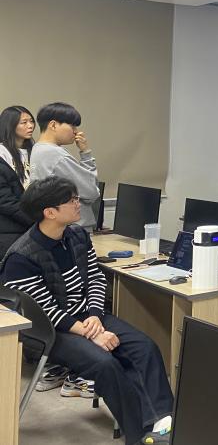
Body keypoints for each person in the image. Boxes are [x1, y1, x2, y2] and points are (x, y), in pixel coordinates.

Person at [0, 176, 174, 444]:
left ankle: (165, 423)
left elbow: (95, 278)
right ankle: (139, 434)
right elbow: (43, 311)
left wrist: (94, 315)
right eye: (71, 200)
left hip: (89, 317)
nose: (78, 204)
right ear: (50, 212)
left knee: (145, 347)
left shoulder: (77, 236)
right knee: (105, 364)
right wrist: (91, 333)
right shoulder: (21, 257)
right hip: (52, 331)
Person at [29, 102, 99, 230]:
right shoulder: (55, 154)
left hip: (54, 225)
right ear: (53, 125)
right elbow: (91, 191)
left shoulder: (37, 148)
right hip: (74, 228)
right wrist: (86, 153)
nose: (76, 131)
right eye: (72, 125)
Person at [0, 106, 35, 257]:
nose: (30, 125)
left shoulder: (35, 150)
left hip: (32, 223)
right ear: (10, 125)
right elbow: (5, 200)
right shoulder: (2, 153)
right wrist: (36, 221)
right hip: (10, 228)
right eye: (24, 122)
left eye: (31, 121)